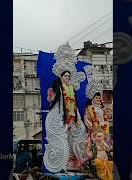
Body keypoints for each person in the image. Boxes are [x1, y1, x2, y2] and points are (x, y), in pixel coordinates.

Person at [43, 43, 87, 173]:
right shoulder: (58, 87)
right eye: (65, 76)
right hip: (60, 116)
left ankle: (73, 161)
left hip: (72, 115)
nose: (67, 78)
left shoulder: (71, 89)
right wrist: (50, 95)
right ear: (61, 77)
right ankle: (62, 162)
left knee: (74, 136)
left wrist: (76, 116)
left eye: (69, 76)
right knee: (62, 138)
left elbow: (74, 103)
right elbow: (51, 99)